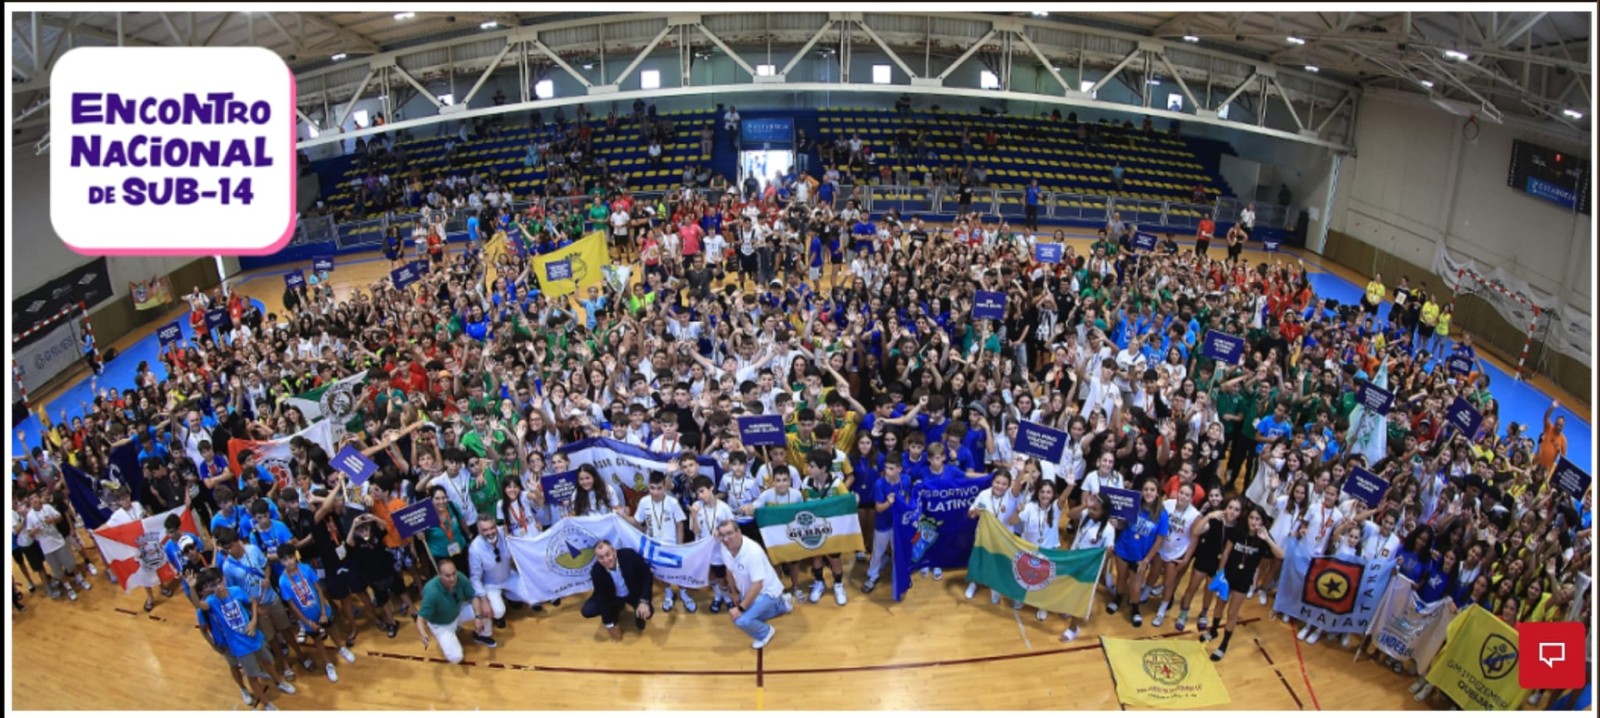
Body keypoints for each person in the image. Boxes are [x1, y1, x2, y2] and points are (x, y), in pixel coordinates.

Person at [196, 568, 297, 711]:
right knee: (248, 674)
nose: (217, 587)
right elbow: (199, 609)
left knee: (268, 661)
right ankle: (264, 702)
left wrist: (254, 620)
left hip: (254, 637)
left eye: (219, 582)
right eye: (213, 585)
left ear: (224, 579)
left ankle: (279, 682)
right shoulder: (211, 602)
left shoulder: (236, 590)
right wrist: (214, 645)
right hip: (236, 646)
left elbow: (252, 602)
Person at [1198, 506, 1282, 660]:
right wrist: (1220, 573)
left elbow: (1281, 555)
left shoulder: (1263, 539)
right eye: (1251, 518)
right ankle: (1213, 630)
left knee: (1232, 613)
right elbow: (1226, 553)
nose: (1253, 522)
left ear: (1262, 522)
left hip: (1243, 581)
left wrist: (1267, 539)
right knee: (1219, 606)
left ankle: (1223, 645)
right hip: (1227, 576)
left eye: (1257, 519)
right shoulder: (1237, 531)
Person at [277, 552, 357, 682]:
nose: (289, 562)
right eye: (285, 560)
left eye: (291, 558)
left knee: (332, 630)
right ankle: (328, 664)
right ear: (281, 562)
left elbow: (319, 590)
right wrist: (306, 622)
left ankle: (341, 648)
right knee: (317, 641)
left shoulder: (306, 568)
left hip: (321, 609)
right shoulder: (283, 581)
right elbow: (292, 606)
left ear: (295, 556)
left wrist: (324, 612)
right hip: (307, 617)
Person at [715, 519, 794, 649]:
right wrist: (733, 592)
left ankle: (766, 632)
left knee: (741, 620)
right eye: (722, 535)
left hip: (766, 591)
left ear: (738, 532)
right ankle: (783, 604)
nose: (726, 538)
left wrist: (740, 609)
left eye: (729, 533)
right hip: (749, 591)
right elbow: (728, 569)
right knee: (750, 614)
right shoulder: (725, 547)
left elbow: (758, 585)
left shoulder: (752, 551)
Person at [415, 559, 497, 664]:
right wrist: (423, 633)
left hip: (457, 612)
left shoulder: (460, 577)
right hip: (442, 625)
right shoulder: (431, 592)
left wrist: (478, 617)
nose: (453, 578)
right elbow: (421, 618)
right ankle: (447, 636)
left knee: (487, 610)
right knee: (456, 658)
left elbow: (473, 597)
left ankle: (482, 636)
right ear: (439, 575)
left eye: (454, 574)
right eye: (448, 576)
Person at [467, 515, 530, 629]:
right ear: (479, 531)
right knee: (498, 611)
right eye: (485, 530)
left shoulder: (505, 533)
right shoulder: (475, 549)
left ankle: (509, 596)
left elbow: (521, 533)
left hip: (508, 575)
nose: (490, 532)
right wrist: (484, 601)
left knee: (530, 594)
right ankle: (497, 612)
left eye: (492, 528)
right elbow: (475, 578)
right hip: (490, 584)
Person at [582, 540, 654, 640]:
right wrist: (609, 624)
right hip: (613, 597)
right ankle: (616, 611)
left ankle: (638, 615)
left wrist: (644, 601)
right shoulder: (596, 571)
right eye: (601, 557)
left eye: (608, 555)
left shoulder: (629, 555)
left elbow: (647, 576)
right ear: (597, 559)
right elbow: (602, 598)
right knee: (587, 610)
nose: (606, 560)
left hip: (633, 593)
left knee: (648, 611)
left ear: (614, 551)